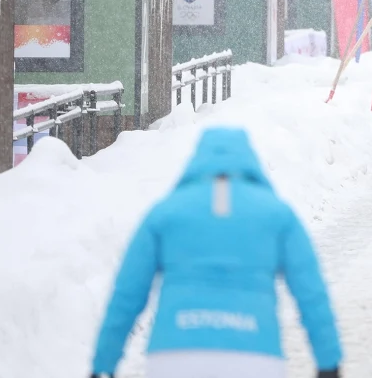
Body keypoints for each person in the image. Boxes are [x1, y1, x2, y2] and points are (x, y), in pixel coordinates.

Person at [90, 127, 342, 378]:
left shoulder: (165, 213)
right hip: (255, 356)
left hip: (174, 356)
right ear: (250, 162)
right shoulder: (277, 215)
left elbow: (127, 294)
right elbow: (311, 293)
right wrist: (328, 362)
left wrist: (104, 365)